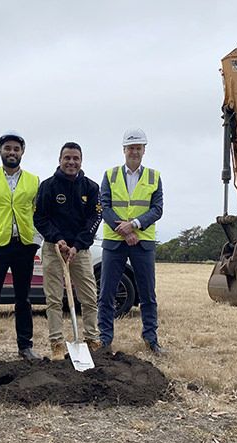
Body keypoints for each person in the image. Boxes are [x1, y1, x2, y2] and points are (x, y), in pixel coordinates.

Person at [0, 131, 41, 361]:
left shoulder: (34, 181)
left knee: (23, 298)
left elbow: (39, 213)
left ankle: (25, 346)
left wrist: (36, 241)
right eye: (8, 148)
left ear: (22, 152)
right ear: (0, 151)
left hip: (24, 246)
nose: (12, 152)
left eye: (16, 149)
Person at [98, 128, 166, 355]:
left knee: (147, 294)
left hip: (142, 242)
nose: (134, 152)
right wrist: (125, 232)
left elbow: (157, 209)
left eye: (138, 148)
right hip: (115, 242)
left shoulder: (154, 177)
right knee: (106, 293)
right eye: (131, 148)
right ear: (124, 150)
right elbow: (104, 207)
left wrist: (134, 224)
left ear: (144, 150)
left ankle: (151, 339)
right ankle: (104, 339)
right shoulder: (110, 175)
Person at [34, 142, 103, 360]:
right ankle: (57, 343)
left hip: (80, 251)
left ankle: (92, 339)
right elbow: (39, 218)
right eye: (67, 158)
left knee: (89, 297)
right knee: (54, 299)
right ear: (60, 160)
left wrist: (77, 245)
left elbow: (95, 218)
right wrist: (58, 240)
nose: (71, 162)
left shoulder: (91, 188)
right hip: (53, 249)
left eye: (75, 158)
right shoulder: (48, 186)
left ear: (81, 161)